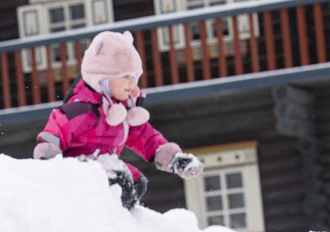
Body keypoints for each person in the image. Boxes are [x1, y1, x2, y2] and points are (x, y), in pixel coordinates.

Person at [33, 31, 204, 209]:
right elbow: (58, 126)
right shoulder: (84, 108)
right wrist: (49, 154)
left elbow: (145, 136)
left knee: (137, 182)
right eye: (125, 77)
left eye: (134, 77)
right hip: (78, 170)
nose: (131, 83)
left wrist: (173, 158)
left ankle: (119, 221)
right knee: (120, 180)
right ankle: (90, 217)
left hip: (103, 165)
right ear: (103, 79)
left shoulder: (122, 110)